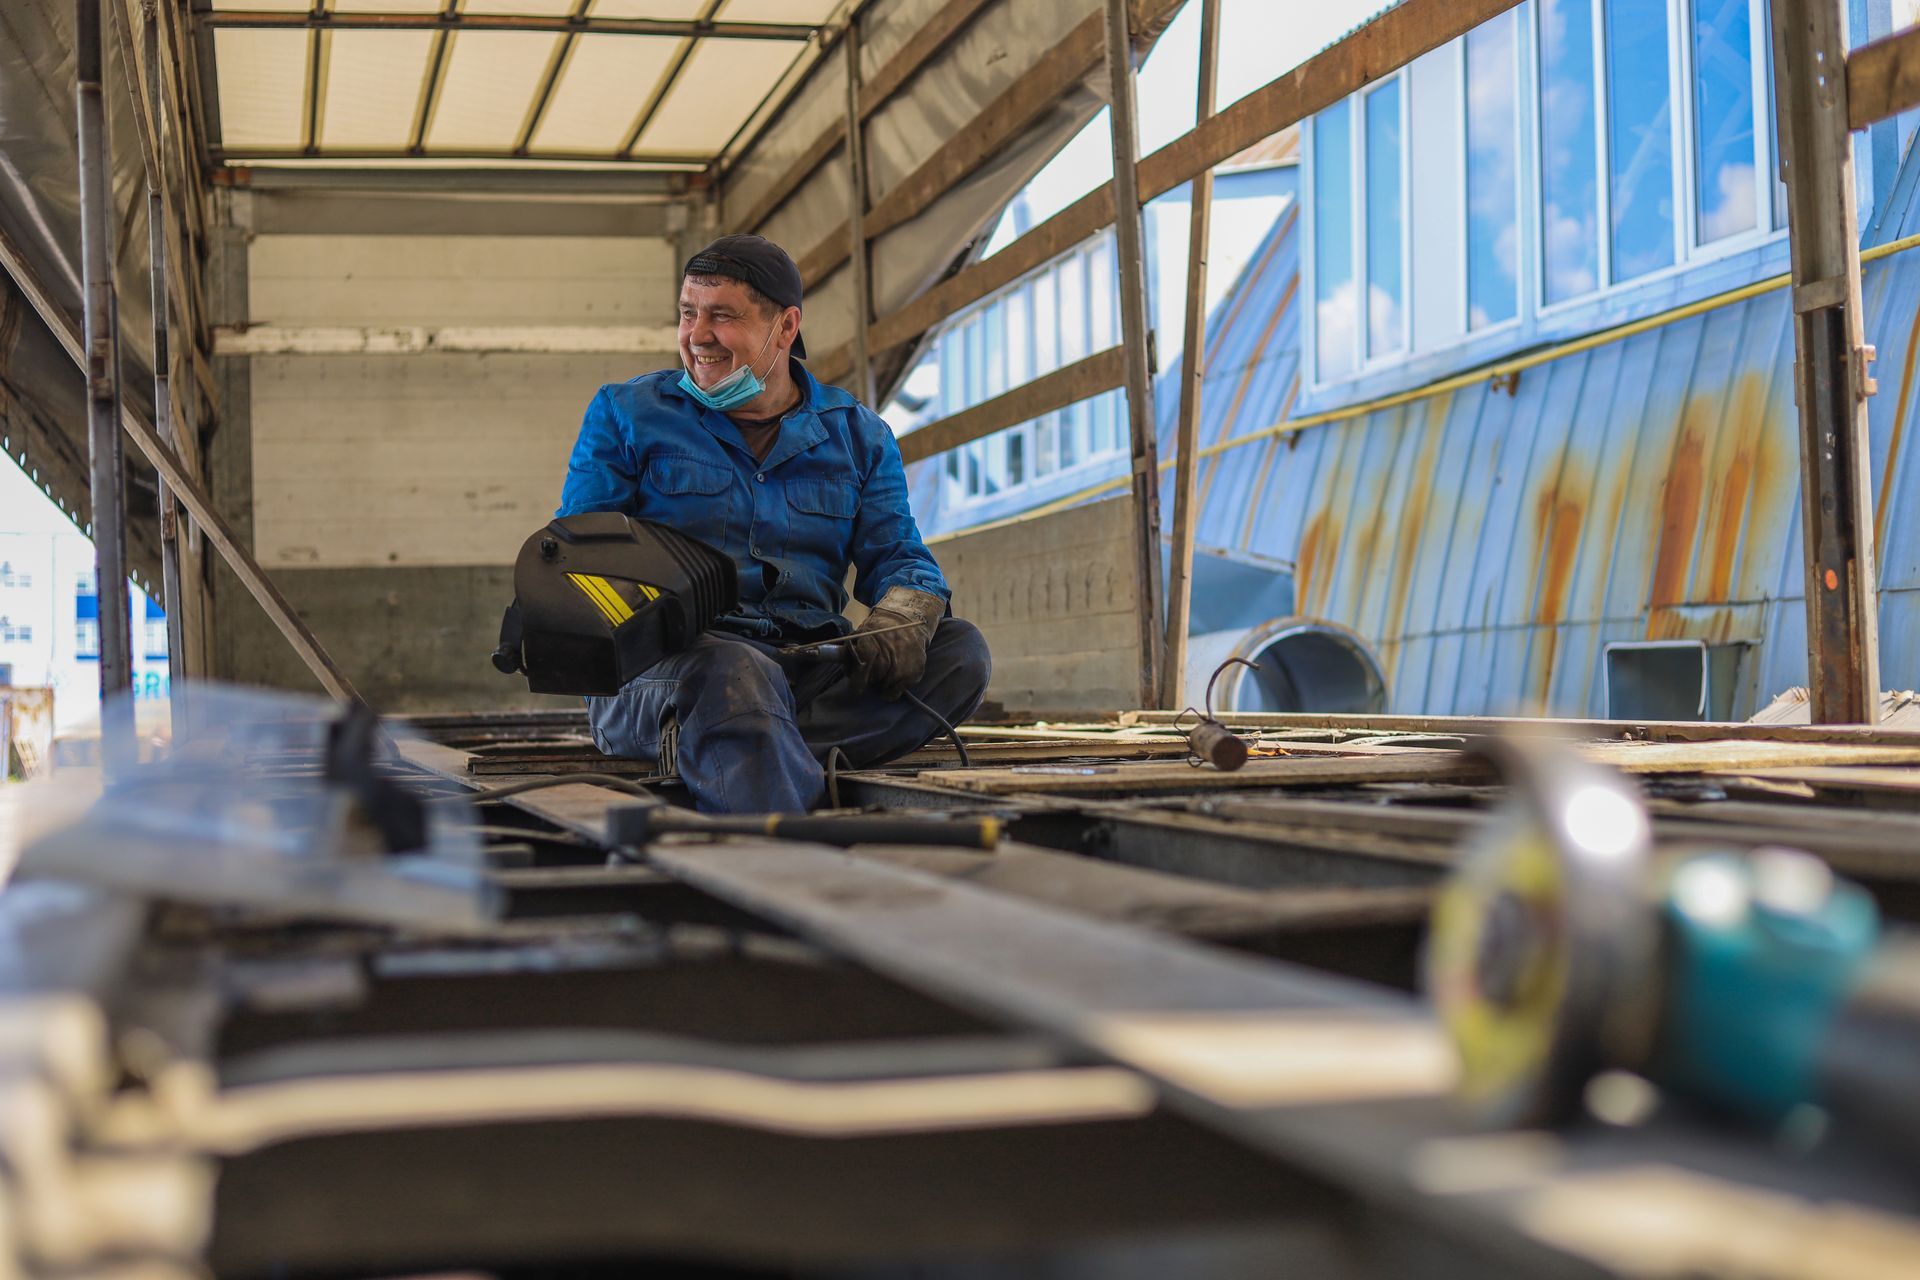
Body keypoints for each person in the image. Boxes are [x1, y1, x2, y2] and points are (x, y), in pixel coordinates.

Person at [557, 234, 991, 814]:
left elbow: (900, 556)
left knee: (962, 653)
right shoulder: (626, 413)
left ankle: (732, 745)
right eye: (687, 314)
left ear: (785, 328)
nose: (696, 335)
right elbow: (581, 555)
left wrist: (904, 614)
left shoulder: (859, 436)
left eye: (722, 316)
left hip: (806, 671)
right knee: (733, 672)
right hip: (667, 673)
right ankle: (765, 778)